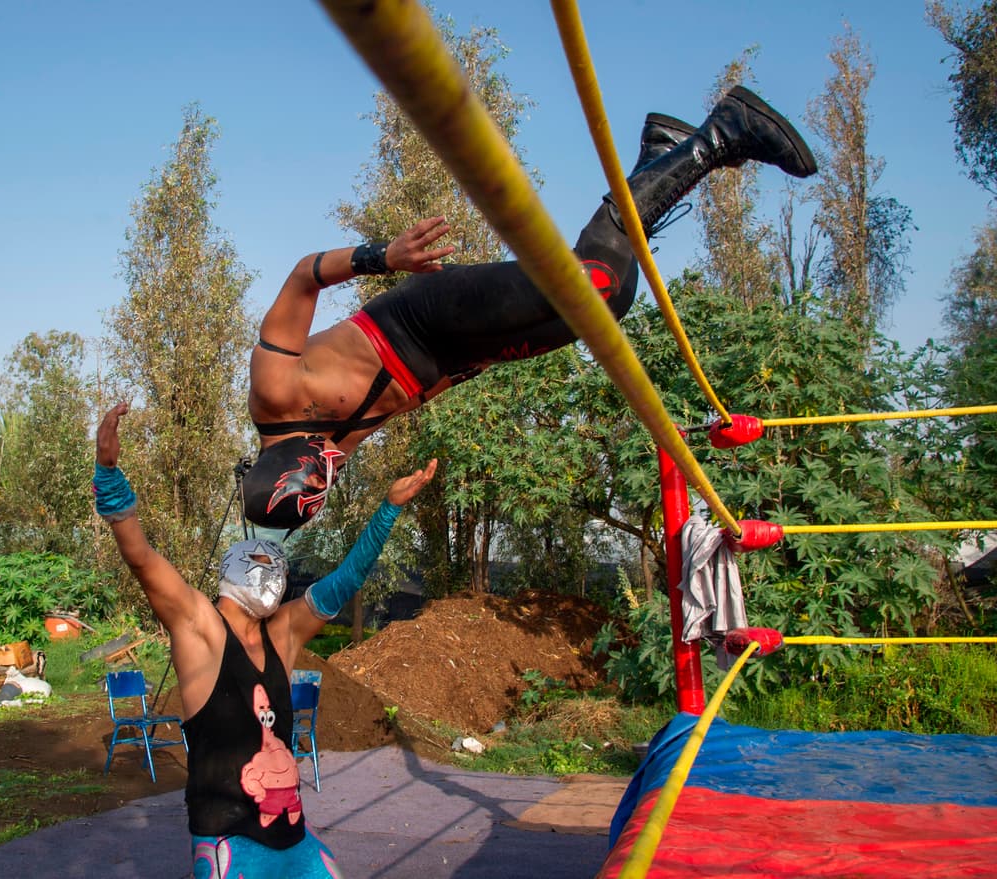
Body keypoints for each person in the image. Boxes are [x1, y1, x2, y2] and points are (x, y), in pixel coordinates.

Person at [242, 85, 817, 529]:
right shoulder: (317, 467)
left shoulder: (274, 389)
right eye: (327, 477)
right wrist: (475, 368)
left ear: (287, 458)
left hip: (421, 320)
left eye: (319, 463)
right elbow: (393, 402)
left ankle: (726, 129)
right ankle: (663, 152)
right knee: (612, 301)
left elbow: (301, 278)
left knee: (592, 283)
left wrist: (385, 257)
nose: (332, 460)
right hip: (459, 357)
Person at [93, 401, 436, 878]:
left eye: (276, 563)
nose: (270, 569)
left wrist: (389, 509)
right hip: (229, 840)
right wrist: (108, 473)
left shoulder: (283, 633)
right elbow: (143, 559)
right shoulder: (201, 630)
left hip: (293, 837)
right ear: (230, 573)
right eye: (259, 561)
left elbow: (344, 580)